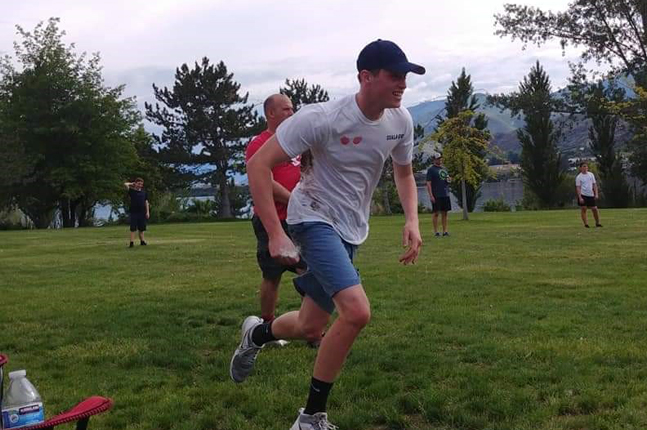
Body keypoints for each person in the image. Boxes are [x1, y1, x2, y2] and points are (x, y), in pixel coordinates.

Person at [230, 39, 424, 429]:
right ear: (366, 77)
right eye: (394, 76)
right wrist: (275, 234)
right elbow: (257, 165)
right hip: (312, 219)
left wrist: (412, 219)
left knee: (310, 325)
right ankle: (310, 417)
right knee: (356, 312)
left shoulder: (400, 121)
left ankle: (257, 334)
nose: (402, 84)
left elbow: (403, 173)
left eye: (405, 76)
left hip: (351, 229)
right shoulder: (323, 118)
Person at [245, 94, 307, 335]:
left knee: (309, 271)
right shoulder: (259, 144)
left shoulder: (296, 142)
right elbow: (264, 182)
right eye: (286, 109)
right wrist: (294, 200)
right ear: (271, 113)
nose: (292, 113)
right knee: (272, 275)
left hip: (299, 218)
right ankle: (266, 324)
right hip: (271, 219)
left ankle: (311, 326)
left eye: (293, 109)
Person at [426, 153, 451, 237]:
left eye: (440, 158)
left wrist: (449, 180)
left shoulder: (444, 169)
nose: (440, 160)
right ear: (434, 160)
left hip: (445, 193)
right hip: (436, 194)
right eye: (438, 159)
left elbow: (447, 180)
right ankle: (436, 232)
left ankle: (445, 231)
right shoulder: (431, 170)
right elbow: (428, 183)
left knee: (445, 213)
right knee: (436, 213)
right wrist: (431, 195)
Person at [123, 178, 150, 247]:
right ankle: (131, 243)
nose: (140, 185)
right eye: (138, 184)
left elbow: (146, 202)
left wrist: (147, 212)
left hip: (142, 212)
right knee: (133, 228)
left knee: (142, 228)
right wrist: (132, 183)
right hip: (134, 212)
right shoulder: (132, 191)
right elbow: (125, 184)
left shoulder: (144, 193)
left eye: (141, 184)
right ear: (135, 184)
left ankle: (142, 241)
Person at [575, 162, 602, 228]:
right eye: (584, 166)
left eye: (586, 166)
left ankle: (597, 223)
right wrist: (580, 197)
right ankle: (586, 224)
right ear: (580, 168)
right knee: (584, 209)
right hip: (583, 194)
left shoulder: (591, 175)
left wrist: (596, 194)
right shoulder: (579, 177)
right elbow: (578, 188)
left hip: (591, 194)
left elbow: (594, 185)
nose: (585, 168)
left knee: (594, 209)